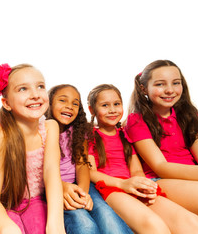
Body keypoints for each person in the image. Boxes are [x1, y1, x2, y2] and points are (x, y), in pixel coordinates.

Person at [87, 84, 198, 234]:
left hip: (133, 185)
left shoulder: (124, 134)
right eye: (105, 105)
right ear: (92, 110)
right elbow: (89, 172)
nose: (112, 110)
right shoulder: (89, 136)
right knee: (154, 226)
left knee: (192, 223)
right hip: (110, 188)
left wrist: (141, 183)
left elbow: (136, 169)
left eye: (116, 104)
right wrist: (123, 184)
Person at [0, 63, 65, 234]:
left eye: (40, 86)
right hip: (6, 205)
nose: (35, 95)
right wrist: (7, 228)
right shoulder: (1, 136)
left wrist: (56, 225)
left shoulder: (50, 128)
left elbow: (52, 175)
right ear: (6, 103)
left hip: (35, 201)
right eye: (23, 89)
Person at [125, 59, 198, 226]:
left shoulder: (189, 115)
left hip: (195, 178)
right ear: (144, 89)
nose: (170, 90)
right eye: (160, 84)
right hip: (160, 179)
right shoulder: (136, 120)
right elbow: (161, 166)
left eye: (175, 83)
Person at [45, 84, 133, 234]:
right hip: (54, 186)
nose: (69, 106)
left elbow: (82, 165)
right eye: (63, 101)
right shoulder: (41, 130)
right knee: (85, 225)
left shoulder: (79, 131)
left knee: (108, 218)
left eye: (75, 103)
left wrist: (83, 193)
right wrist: (63, 187)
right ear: (49, 103)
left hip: (81, 184)